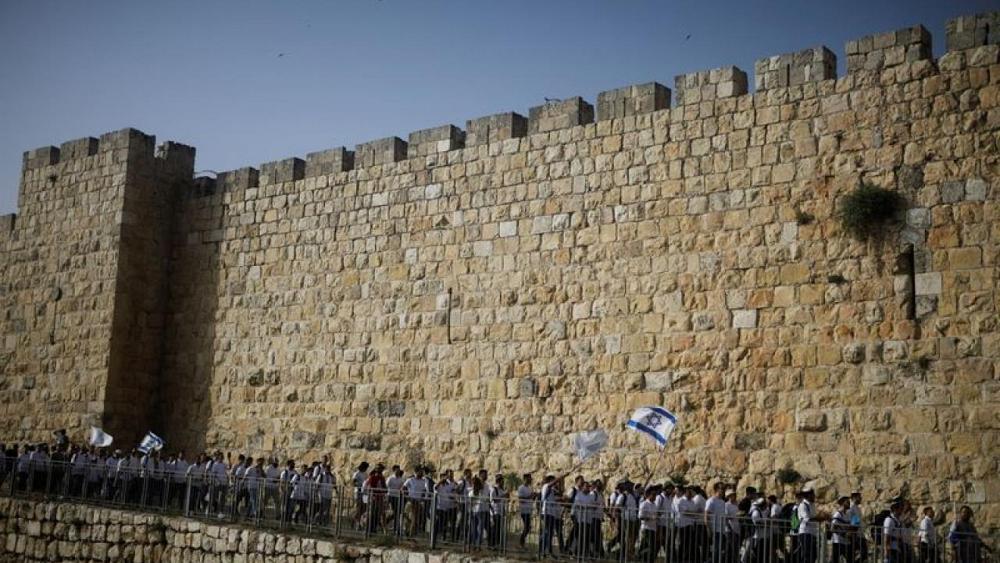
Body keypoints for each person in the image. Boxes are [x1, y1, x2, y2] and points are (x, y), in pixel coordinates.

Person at [706, 483, 729, 563]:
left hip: (722, 529)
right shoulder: (711, 500)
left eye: (723, 488)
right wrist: (708, 528)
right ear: (716, 489)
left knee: (720, 549)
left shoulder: (722, 502)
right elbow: (706, 514)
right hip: (714, 529)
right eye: (721, 488)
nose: (723, 490)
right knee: (716, 550)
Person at [638, 487, 659, 563]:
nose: (655, 496)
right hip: (646, 528)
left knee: (645, 545)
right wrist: (650, 518)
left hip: (653, 528)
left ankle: (640, 556)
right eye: (653, 494)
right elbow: (640, 516)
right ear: (649, 495)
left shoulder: (654, 505)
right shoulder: (644, 504)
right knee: (651, 546)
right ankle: (646, 559)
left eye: (655, 495)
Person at [831, 496, 855, 563]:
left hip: (846, 542)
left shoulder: (847, 515)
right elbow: (832, 528)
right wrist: (844, 534)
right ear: (842, 503)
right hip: (838, 541)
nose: (849, 503)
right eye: (847, 501)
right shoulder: (838, 514)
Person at [489, 474, 508, 549]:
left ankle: (497, 544)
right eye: (502, 481)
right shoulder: (494, 489)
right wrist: (503, 496)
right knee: (495, 529)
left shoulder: (501, 490)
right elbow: (493, 500)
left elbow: (504, 500)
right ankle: (492, 544)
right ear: (498, 481)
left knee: (499, 529)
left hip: (501, 511)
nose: (503, 482)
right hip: (495, 511)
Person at [516, 474, 535, 547]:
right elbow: (521, 499)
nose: (530, 480)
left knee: (528, 527)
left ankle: (522, 542)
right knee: (527, 527)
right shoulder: (521, 488)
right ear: (525, 479)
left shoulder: (529, 488)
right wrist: (529, 497)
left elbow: (531, 499)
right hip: (524, 510)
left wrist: (533, 496)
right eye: (529, 478)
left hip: (528, 510)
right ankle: (521, 542)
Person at [386, 467, 405, 535]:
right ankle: (386, 522)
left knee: (397, 512)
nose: (398, 472)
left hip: (397, 496)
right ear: (394, 471)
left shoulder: (401, 479)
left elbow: (402, 487)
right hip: (390, 496)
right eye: (397, 470)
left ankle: (396, 528)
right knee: (393, 511)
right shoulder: (390, 478)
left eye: (399, 471)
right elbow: (387, 486)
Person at [352, 461, 370, 530]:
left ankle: (356, 518)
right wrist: (359, 485)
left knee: (364, 507)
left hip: (365, 493)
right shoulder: (357, 473)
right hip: (358, 492)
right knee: (359, 507)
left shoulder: (365, 474)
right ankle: (357, 522)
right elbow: (354, 482)